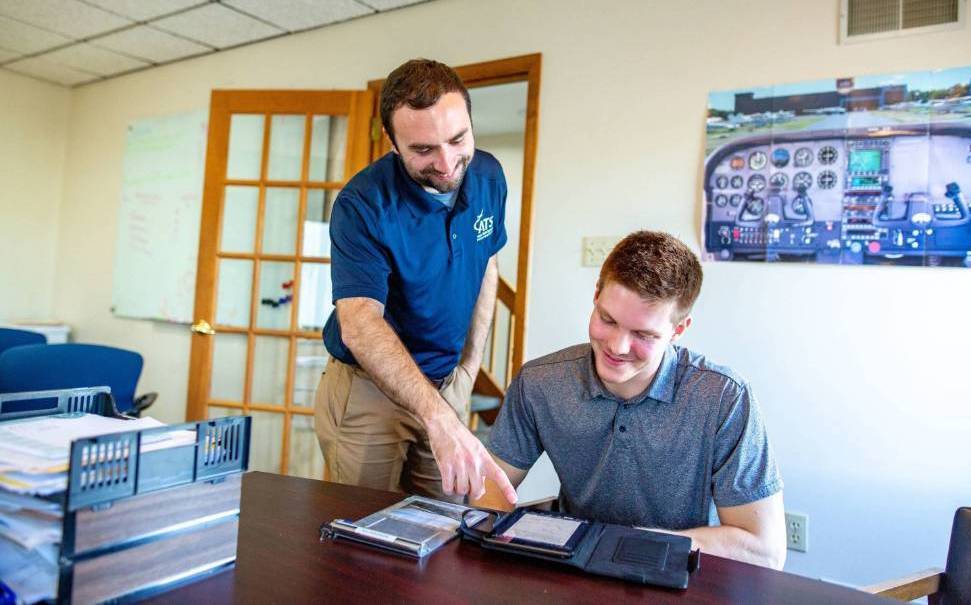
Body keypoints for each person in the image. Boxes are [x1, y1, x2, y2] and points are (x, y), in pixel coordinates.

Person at [479, 230, 786, 569]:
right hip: (573, 572)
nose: (617, 347)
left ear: (678, 329)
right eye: (607, 320)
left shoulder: (724, 399)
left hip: (677, 573)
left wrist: (625, 544)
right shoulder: (540, 382)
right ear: (596, 295)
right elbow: (489, 492)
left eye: (643, 334)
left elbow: (765, 550)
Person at [314, 58, 517, 505]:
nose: (446, 163)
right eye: (423, 150)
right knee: (361, 533)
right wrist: (437, 417)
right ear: (392, 141)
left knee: (445, 528)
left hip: (446, 382)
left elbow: (487, 267)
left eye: (457, 139)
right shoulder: (362, 204)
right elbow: (360, 323)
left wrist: (468, 367)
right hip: (369, 390)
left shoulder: (488, 176)